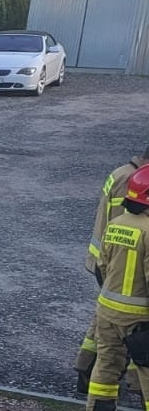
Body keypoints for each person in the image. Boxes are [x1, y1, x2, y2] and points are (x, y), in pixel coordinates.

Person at [78, 145, 149, 394]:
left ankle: (87, 369)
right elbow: (129, 231)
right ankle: (133, 383)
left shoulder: (124, 173)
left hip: (108, 264)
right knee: (129, 329)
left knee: (104, 321)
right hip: (118, 267)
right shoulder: (132, 181)